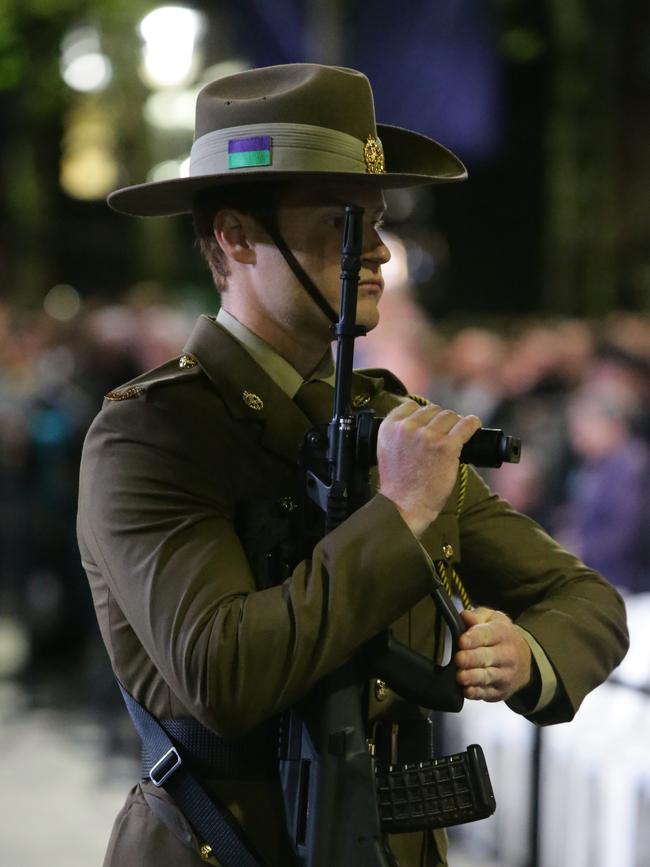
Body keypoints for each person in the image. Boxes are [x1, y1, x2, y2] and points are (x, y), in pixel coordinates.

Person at [77, 64, 628, 867]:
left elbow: (586, 600)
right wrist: (398, 514)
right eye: (342, 222)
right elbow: (221, 669)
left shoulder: (385, 421)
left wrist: (524, 654)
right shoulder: (154, 433)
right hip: (220, 846)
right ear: (235, 235)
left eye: (375, 219)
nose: (376, 250)